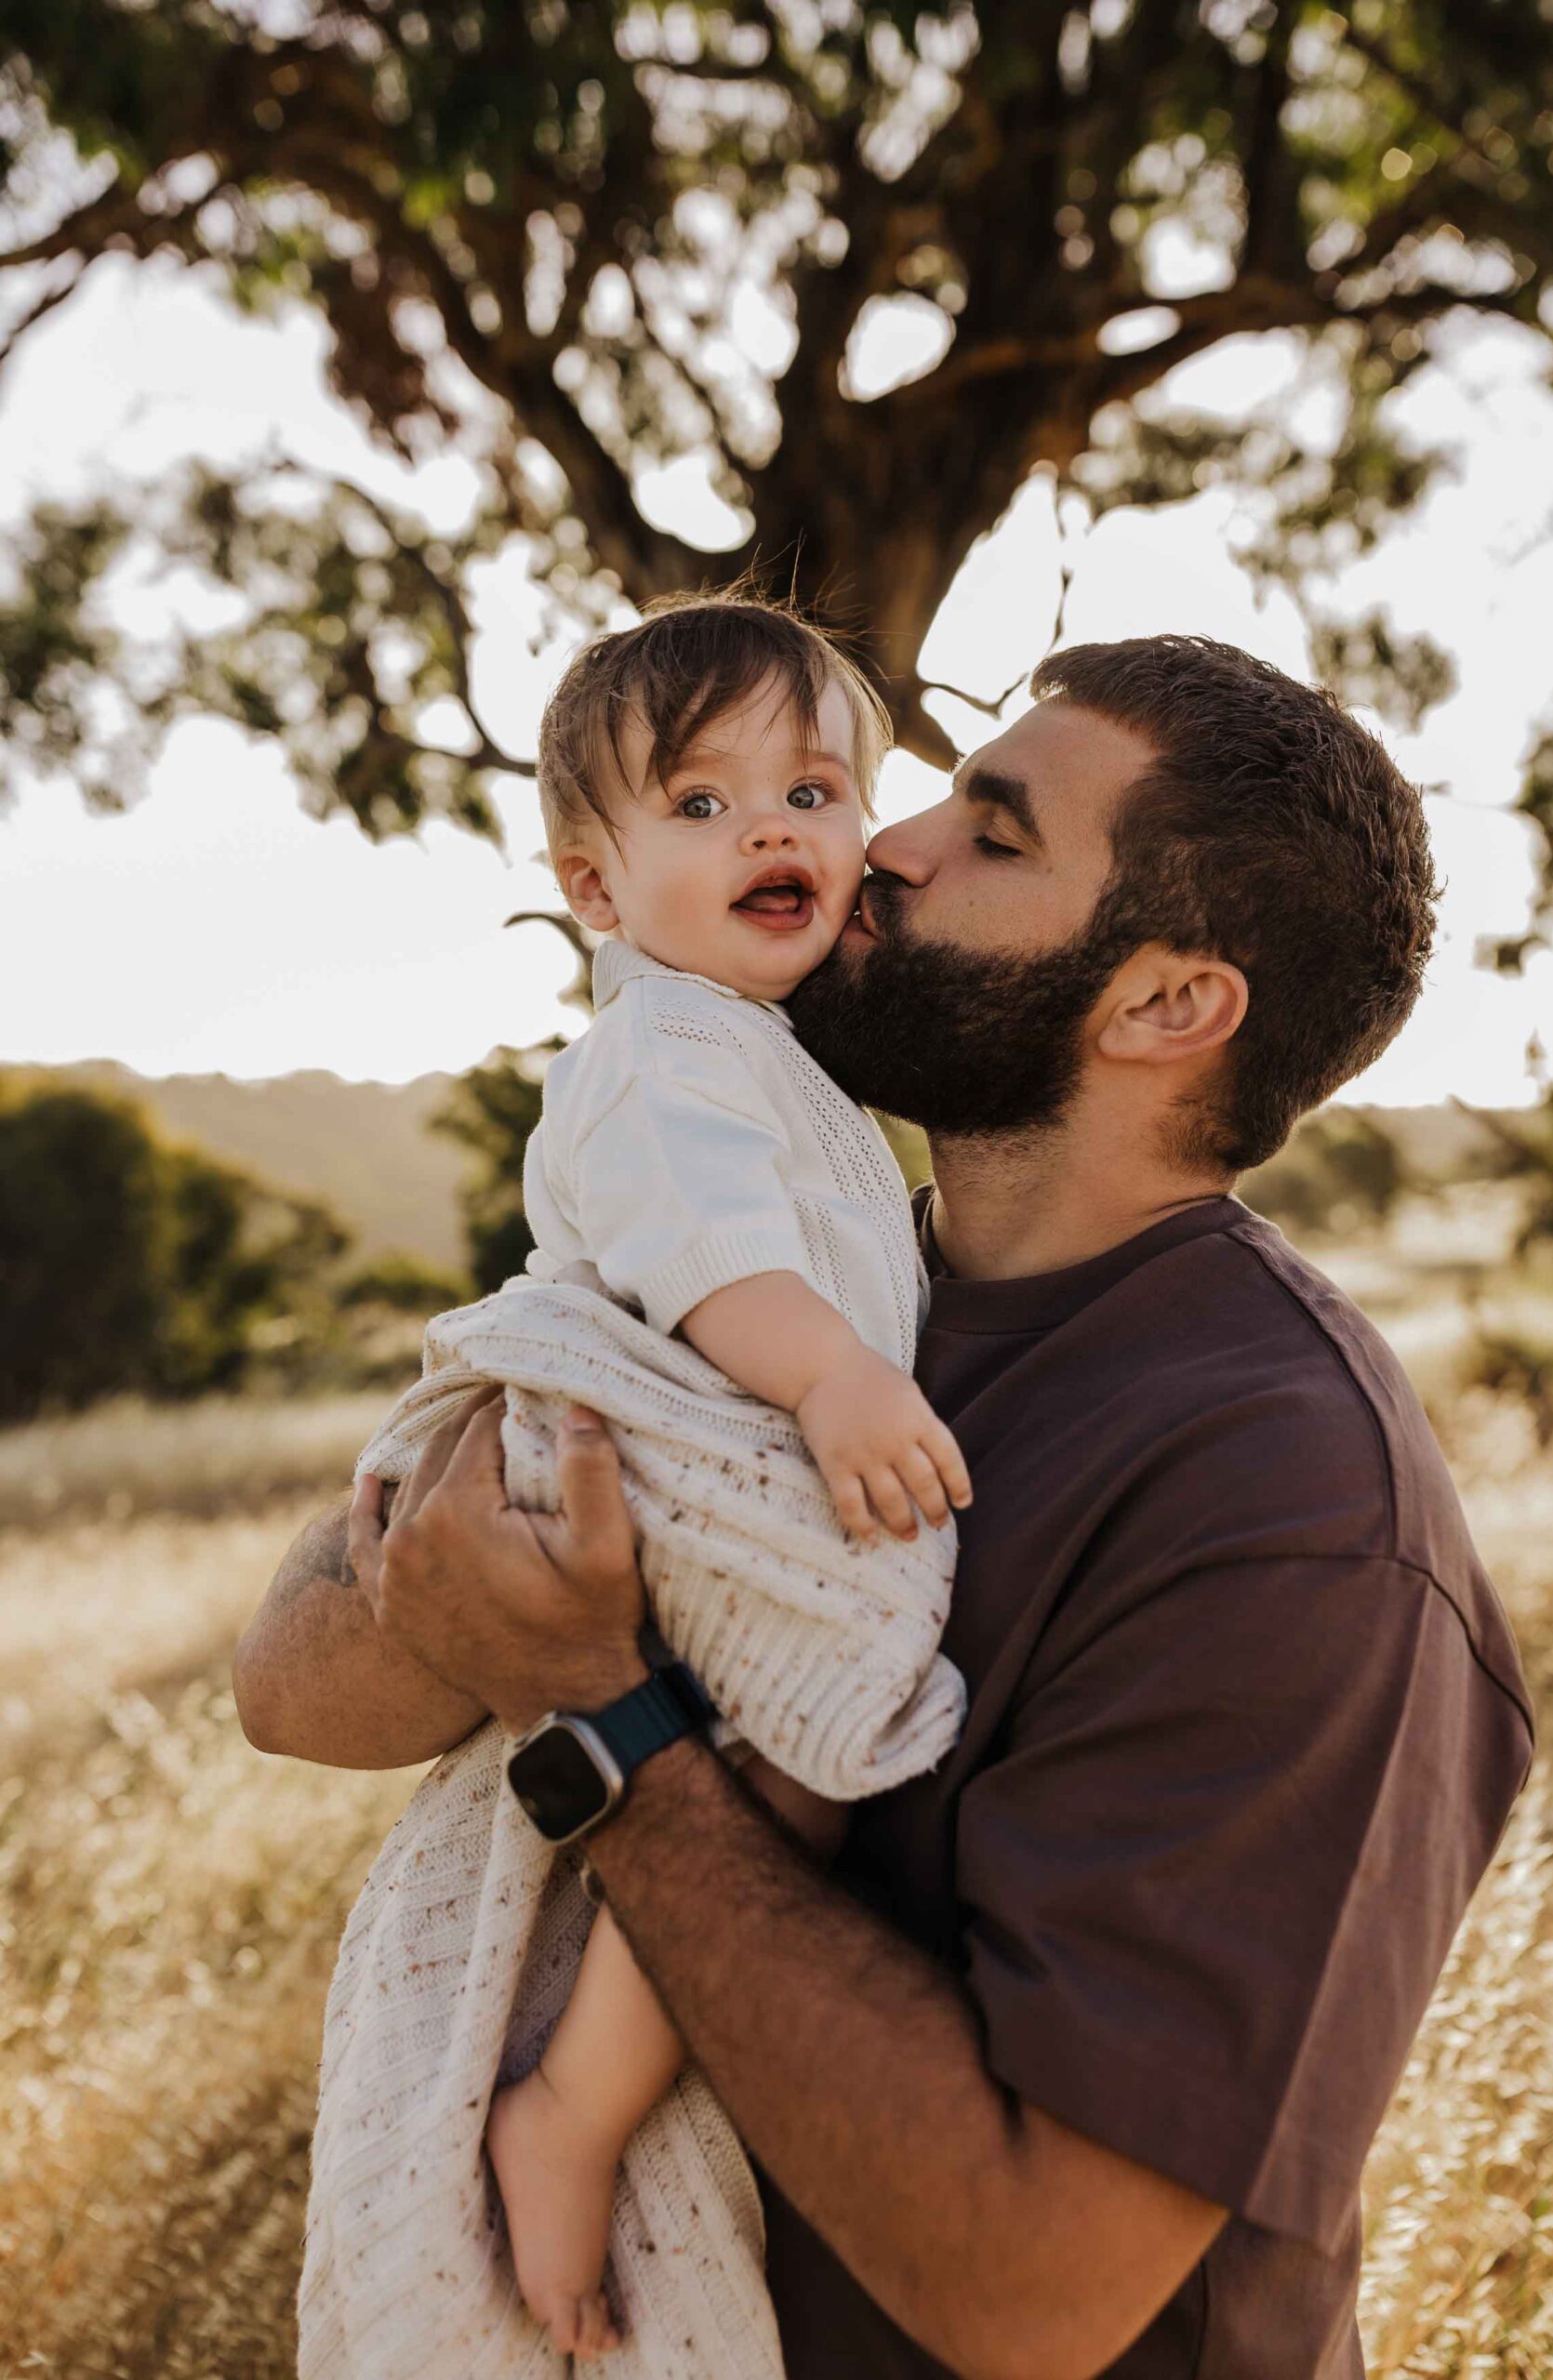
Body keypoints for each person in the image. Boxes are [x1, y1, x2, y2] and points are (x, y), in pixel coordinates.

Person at [236, 631, 1534, 2380]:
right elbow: (296, 1688)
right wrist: (499, 1592)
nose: (891, 844)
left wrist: (603, 1723)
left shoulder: (1285, 1497)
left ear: (1162, 1004)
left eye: (992, 835)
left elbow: (1036, 2294)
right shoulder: (805, 1293)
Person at [458, 595, 971, 2357]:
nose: (773, 829)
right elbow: (707, 1261)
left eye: (815, 792)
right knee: (817, 1745)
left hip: (734, 1451)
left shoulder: (757, 1046)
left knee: (794, 1762)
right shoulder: (663, 1054)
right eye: (698, 805)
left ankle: (600, 2096)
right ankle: (575, 2110)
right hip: (696, 1457)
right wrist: (829, 1374)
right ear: (594, 890)